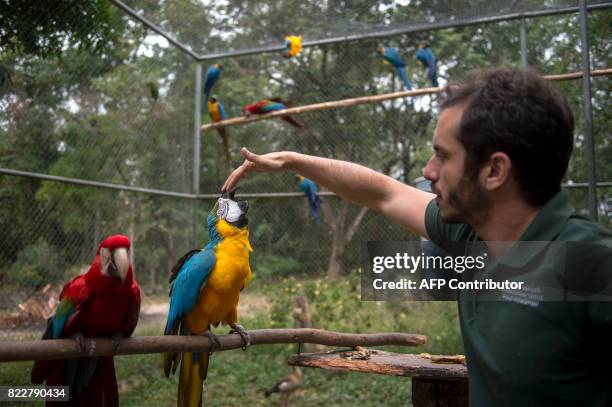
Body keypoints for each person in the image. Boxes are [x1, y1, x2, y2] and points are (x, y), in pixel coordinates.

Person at [222, 67, 612, 406]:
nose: (428, 171)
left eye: (442, 155)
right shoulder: (471, 232)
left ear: (494, 171)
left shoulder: (590, 264)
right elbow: (383, 193)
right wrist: (292, 160)